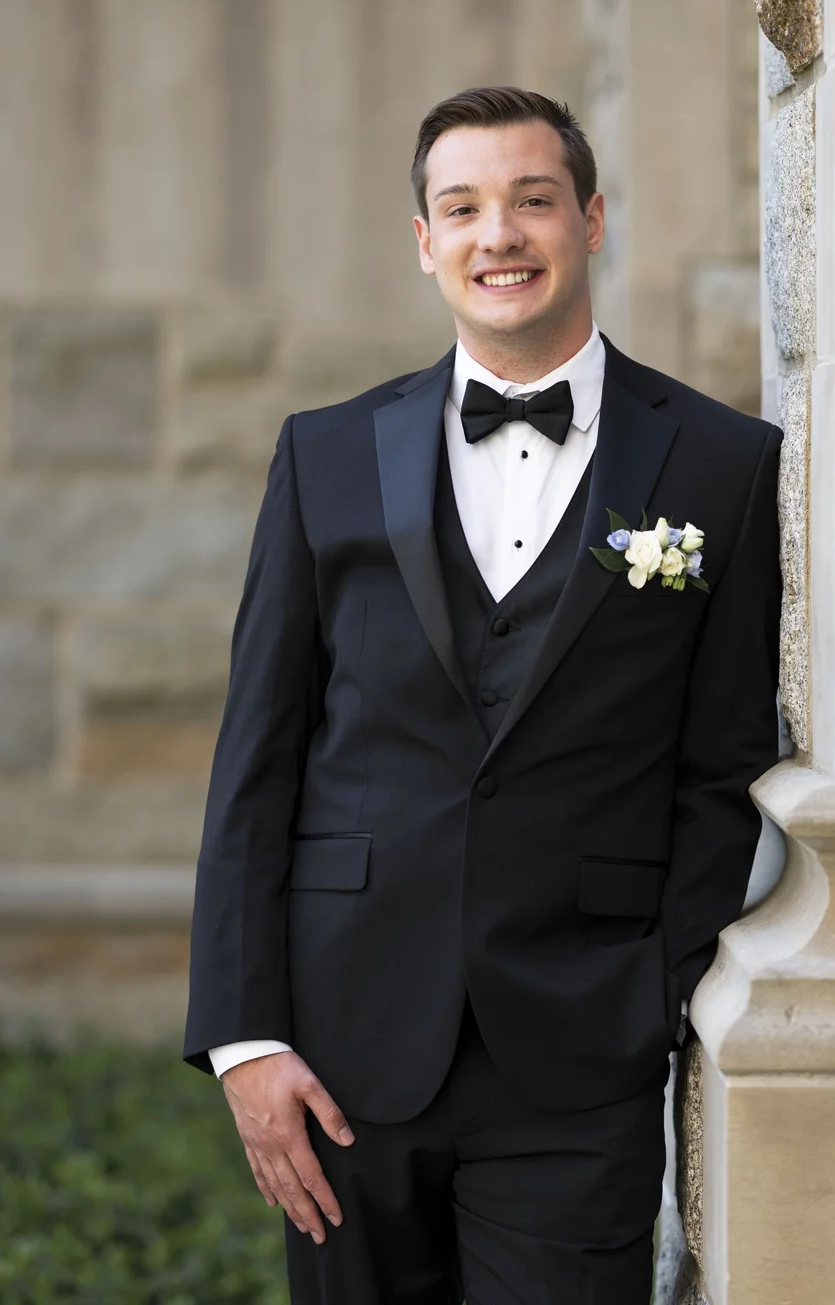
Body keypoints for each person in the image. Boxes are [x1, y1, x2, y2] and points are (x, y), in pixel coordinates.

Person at [184, 86, 782, 1305]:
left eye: (531, 200)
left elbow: (723, 765)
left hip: (580, 1050)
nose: (496, 234)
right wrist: (246, 1041)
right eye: (461, 208)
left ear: (591, 218)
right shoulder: (326, 453)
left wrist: (649, 992)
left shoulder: (727, 464)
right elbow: (259, 759)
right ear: (423, 240)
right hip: (339, 1051)